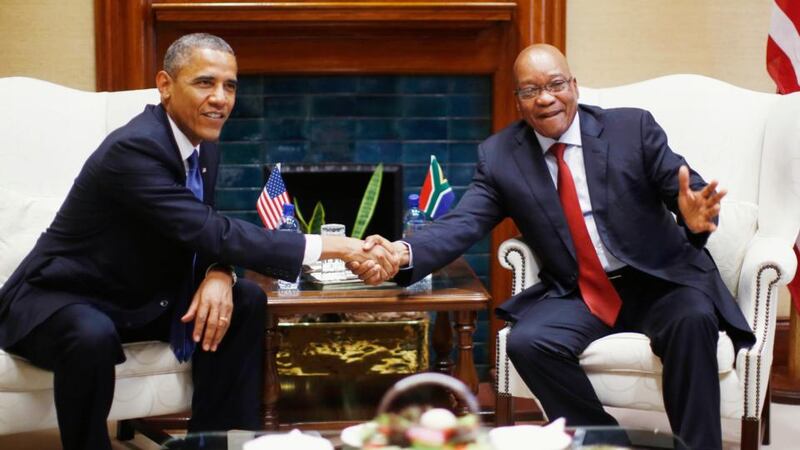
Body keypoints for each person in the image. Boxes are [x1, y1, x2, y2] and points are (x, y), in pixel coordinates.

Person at [0, 33, 396, 450]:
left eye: (230, 86)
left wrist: (218, 273)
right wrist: (341, 246)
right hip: (57, 299)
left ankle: (218, 444)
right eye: (205, 83)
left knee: (244, 301)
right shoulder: (135, 148)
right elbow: (213, 230)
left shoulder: (201, 144)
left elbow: (200, 230)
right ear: (166, 85)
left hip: (133, 298)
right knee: (90, 334)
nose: (220, 98)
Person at [353, 44, 755, 449]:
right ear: (518, 103)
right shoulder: (500, 157)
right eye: (530, 91)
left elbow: (688, 191)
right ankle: (608, 442)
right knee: (528, 342)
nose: (545, 98)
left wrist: (694, 217)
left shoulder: (631, 129)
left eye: (555, 84)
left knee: (692, 321)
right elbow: (463, 223)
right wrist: (404, 252)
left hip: (658, 280)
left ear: (574, 87)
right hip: (582, 290)